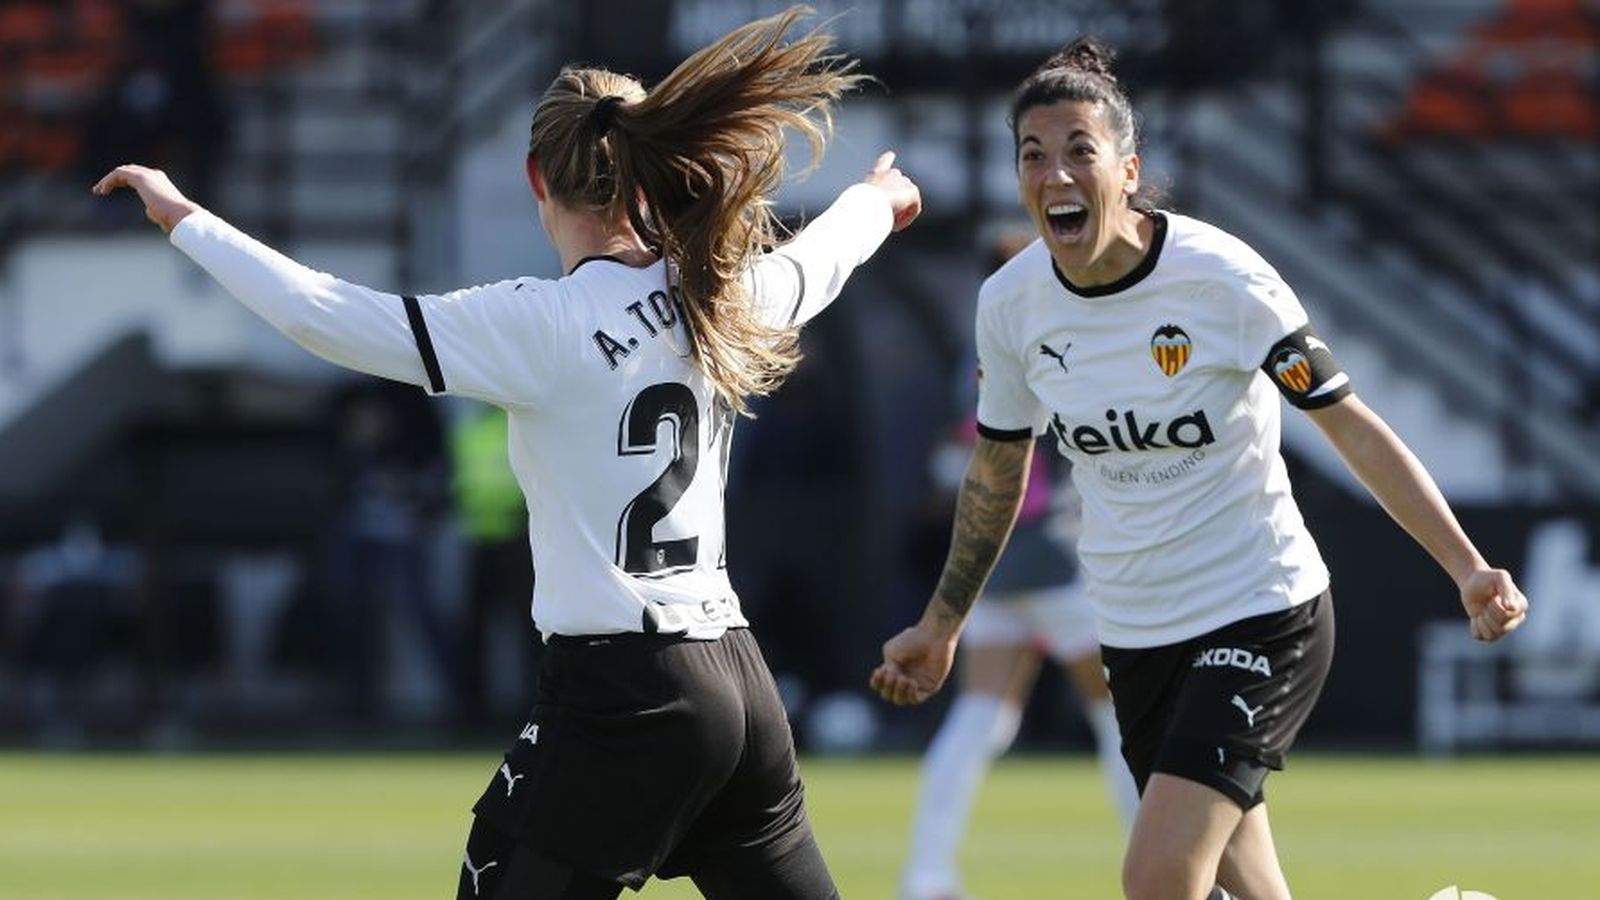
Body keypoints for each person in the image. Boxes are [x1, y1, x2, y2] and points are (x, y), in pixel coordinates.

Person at [95, 7, 922, 898]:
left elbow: (322, 313)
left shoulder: (539, 321)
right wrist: (878, 198)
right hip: (739, 681)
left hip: (624, 691)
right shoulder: (716, 296)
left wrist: (184, 216)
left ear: (536, 175)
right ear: (643, 172)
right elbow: (821, 258)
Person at [870, 37, 1527, 900]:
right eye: (1034, 156)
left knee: (1161, 879)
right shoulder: (1011, 302)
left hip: (1261, 610)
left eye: (1080, 152)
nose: (1056, 175)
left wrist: (1469, 566)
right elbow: (998, 472)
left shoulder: (1223, 280)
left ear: (1129, 168)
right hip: (1137, 632)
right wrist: (943, 623)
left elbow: (1351, 426)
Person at [898, 234, 1138, 900]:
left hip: (994, 562)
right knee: (1120, 717)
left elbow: (961, 451)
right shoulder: (1057, 334)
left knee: (982, 716)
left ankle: (926, 877)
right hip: (1056, 553)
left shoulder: (979, 343)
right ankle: (1167, 873)